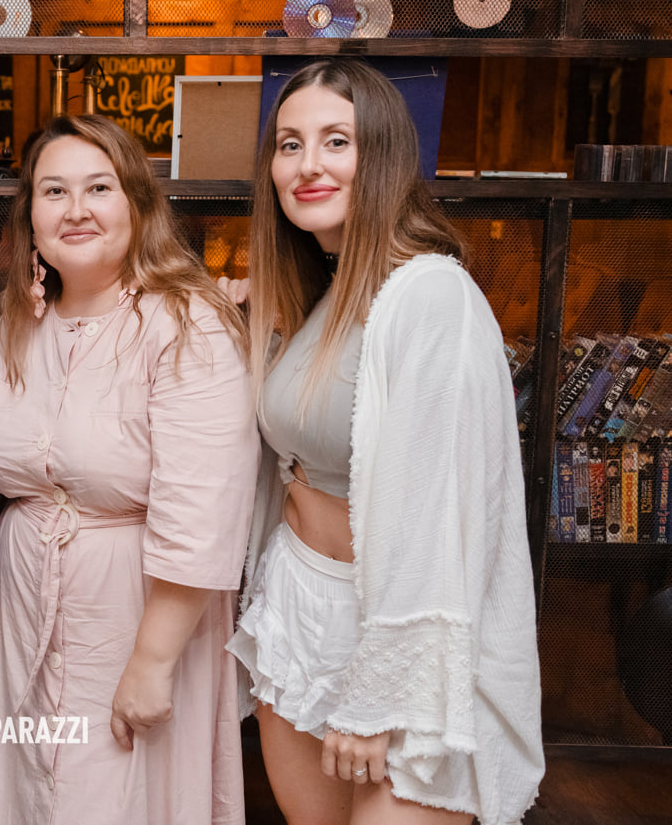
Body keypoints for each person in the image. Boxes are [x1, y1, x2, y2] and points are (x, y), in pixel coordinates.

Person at [226, 59, 544, 825]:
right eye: (290, 144)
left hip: (399, 636)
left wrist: (380, 696)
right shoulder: (323, 286)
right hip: (297, 605)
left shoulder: (432, 295)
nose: (308, 164)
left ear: (385, 156)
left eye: (337, 140)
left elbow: (441, 515)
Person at [0, 115, 259, 825]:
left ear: (137, 204)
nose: (75, 209)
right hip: (25, 609)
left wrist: (152, 662)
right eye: (53, 191)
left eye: (98, 188)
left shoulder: (187, 324)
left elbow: (204, 510)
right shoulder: (11, 330)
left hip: (137, 617)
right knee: (28, 797)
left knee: (119, 797)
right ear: (30, 216)